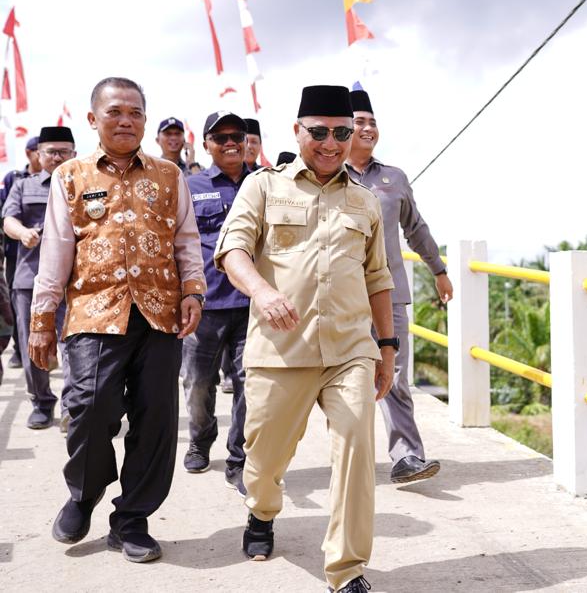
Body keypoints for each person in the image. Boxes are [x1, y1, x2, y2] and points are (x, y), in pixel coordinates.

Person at [215, 85, 396, 593]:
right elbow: (232, 251)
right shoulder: (263, 187)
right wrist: (262, 291)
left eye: (342, 131)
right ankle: (262, 511)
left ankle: (347, 569)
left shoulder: (364, 200)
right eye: (319, 131)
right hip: (279, 349)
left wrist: (387, 348)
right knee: (265, 459)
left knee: (358, 446)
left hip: (349, 350)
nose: (332, 142)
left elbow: (378, 278)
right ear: (298, 131)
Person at [30, 77, 205, 563]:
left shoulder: (170, 175)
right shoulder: (70, 176)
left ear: (145, 121)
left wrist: (193, 290)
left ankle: (131, 519)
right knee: (88, 406)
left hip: (159, 311)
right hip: (92, 311)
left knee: (156, 419)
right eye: (114, 112)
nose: (126, 120)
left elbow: (186, 240)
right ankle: (84, 494)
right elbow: (56, 251)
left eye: (135, 112)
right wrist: (42, 319)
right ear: (93, 119)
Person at [345, 89, 451, 483]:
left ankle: (407, 456)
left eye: (372, 121)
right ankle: (348, 460)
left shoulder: (394, 178)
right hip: (341, 297)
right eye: (359, 121)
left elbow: (415, 229)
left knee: (397, 376)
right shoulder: (328, 176)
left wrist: (438, 269)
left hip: (389, 295)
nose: (368, 127)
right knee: (340, 380)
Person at [181, 110, 251, 494]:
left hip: (251, 305)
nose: (230, 143)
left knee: (249, 384)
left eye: (236, 136)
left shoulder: (262, 184)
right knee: (197, 384)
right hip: (204, 305)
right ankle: (200, 437)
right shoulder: (190, 186)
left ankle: (239, 458)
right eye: (220, 137)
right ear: (206, 144)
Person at [2, 126, 76, 430]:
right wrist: (23, 234)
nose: (57, 157)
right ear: (38, 154)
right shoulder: (23, 186)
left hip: (74, 281)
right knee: (33, 343)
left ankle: (74, 406)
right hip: (30, 278)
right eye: (51, 152)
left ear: (73, 153)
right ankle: (42, 403)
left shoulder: (82, 183)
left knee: (74, 345)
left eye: (63, 151)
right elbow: (8, 219)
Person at [0, 135, 42, 371]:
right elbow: (6, 214)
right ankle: (19, 349)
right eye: (39, 151)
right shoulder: (14, 178)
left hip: (43, 253)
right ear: (29, 153)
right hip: (16, 252)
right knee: (18, 304)